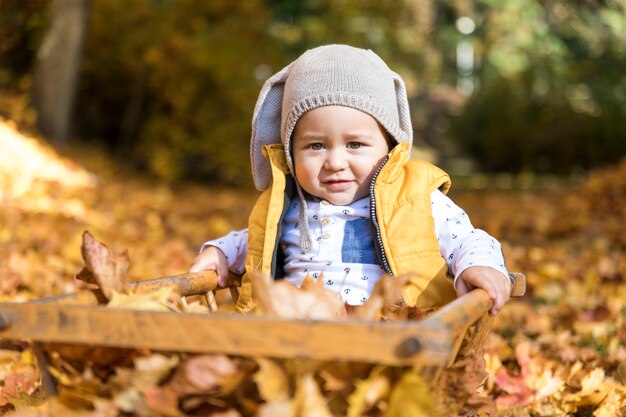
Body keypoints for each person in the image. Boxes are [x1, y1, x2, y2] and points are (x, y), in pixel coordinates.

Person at [190, 44, 511, 315]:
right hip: (295, 330)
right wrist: (219, 252)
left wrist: (477, 266)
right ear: (290, 154)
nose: (335, 162)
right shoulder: (288, 205)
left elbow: (467, 239)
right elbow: (252, 241)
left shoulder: (417, 199)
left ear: (389, 147)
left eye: (355, 144)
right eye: (315, 146)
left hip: (388, 332)